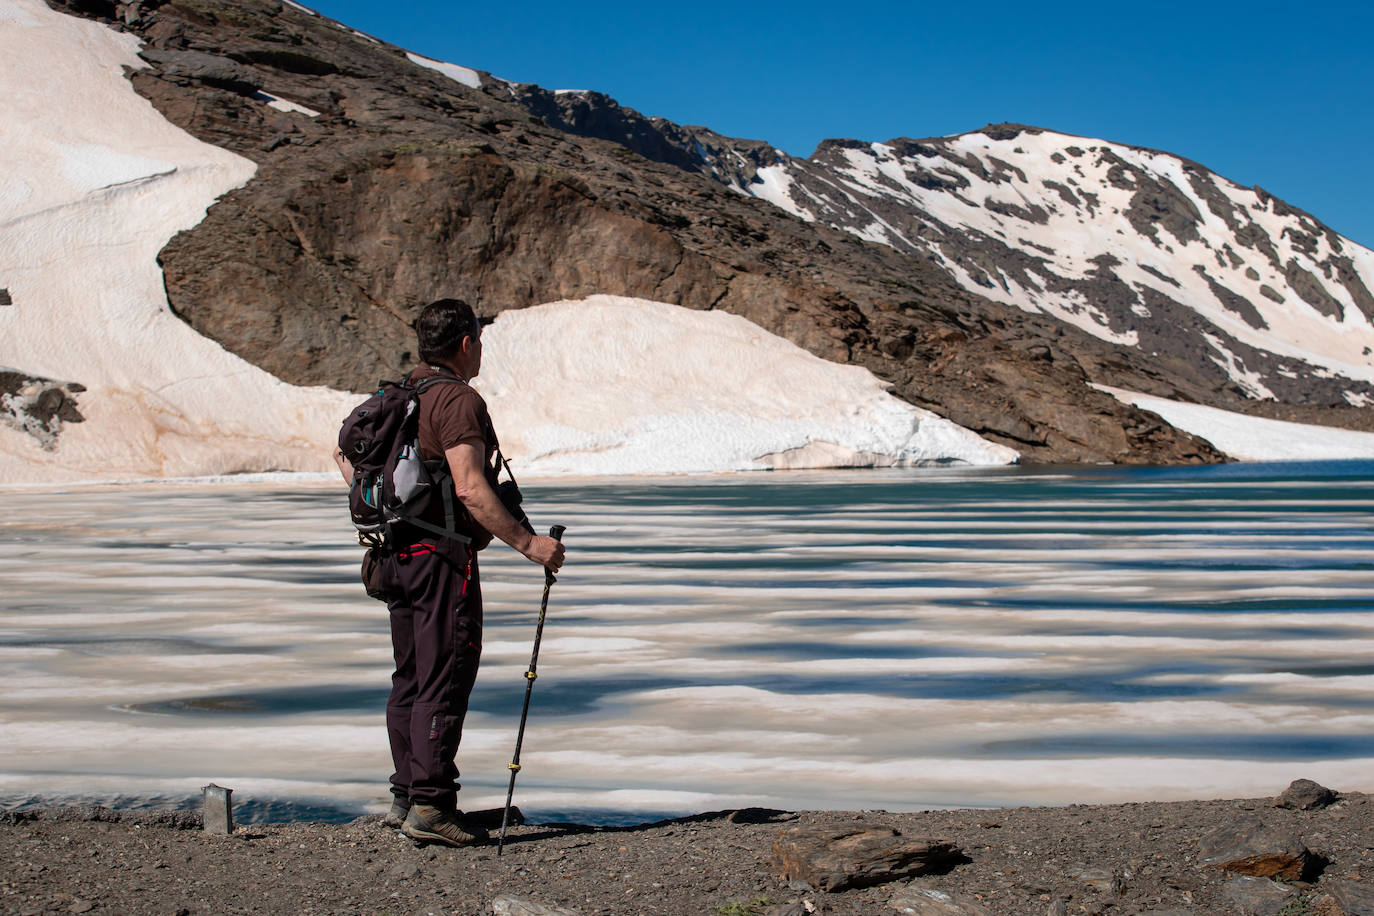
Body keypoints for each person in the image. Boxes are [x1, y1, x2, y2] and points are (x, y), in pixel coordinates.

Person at [334, 298, 565, 847]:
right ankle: (432, 808)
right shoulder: (455, 401)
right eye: (479, 341)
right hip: (440, 561)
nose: (481, 350)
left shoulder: (392, 397)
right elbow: (470, 486)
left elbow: (345, 456)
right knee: (444, 675)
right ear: (465, 343)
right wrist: (530, 544)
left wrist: (396, 508)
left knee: (411, 675)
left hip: (393, 557)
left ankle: (408, 795)